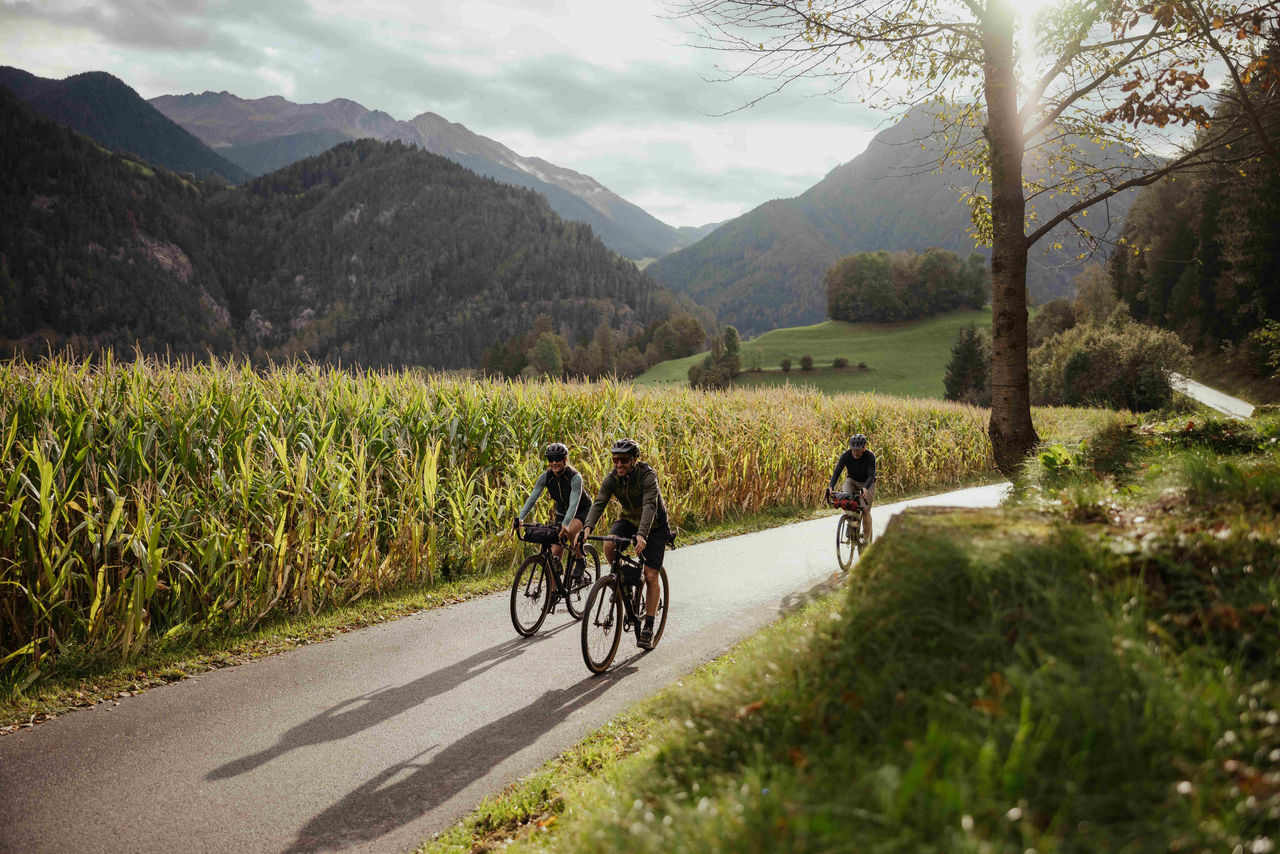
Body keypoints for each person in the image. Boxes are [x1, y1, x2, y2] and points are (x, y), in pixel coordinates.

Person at [581, 437, 672, 650]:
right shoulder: (612, 478)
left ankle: (648, 625)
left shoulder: (647, 476)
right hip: (629, 519)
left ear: (634, 460)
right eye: (615, 460)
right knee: (609, 545)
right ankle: (623, 581)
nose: (619, 465)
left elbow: (650, 505)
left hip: (655, 525)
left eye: (623, 460)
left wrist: (642, 535)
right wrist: (587, 528)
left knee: (650, 574)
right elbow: (599, 502)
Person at [513, 442, 591, 593]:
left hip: (582, 510)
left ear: (565, 460)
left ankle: (580, 559)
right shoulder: (546, 477)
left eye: (558, 459)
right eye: (551, 459)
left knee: (569, 532)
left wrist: (566, 524)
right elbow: (532, 498)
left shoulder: (575, 477)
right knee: (554, 551)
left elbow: (574, 504)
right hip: (562, 512)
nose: (554, 462)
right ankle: (553, 593)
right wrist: (521, 518)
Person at [827, 433, 877, 539]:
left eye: (858, 450)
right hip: (852, 480)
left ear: (864, 448)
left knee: (865, 510)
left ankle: (867, 538)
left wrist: (865, 488)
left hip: (867, 482)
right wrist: (831, 486)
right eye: (853, 449)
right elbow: (837, 472)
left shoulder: (870, 456)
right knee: (847, 502)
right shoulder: (846, 455)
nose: (855, 452)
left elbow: (871, 475)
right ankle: (851, 523)